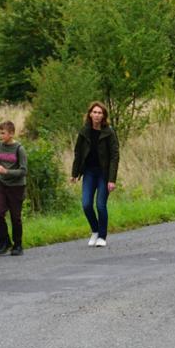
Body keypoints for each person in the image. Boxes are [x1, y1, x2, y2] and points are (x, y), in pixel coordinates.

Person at [71, 101, 120, 248]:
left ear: (103, 116)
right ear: (90, 114)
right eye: (95, 112)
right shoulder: (84, 131)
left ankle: (102, 236)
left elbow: (115, 156)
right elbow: (78, 153)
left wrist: (111, 179)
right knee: (86, 204)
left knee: (100, 205)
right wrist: (74, 173)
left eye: (100, 113)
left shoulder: (109, 132)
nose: (97, 115)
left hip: (104, 174)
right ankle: (95, 230)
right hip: (89, 172)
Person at [0, 120, 28, 256]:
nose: (0, 136)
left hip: (17, 187)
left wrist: (7, 172)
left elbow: (24, 171)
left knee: (15, 217)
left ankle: (18, 245)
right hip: (2, 185)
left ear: (11, 134)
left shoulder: (19, 149)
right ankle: (5, 242)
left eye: (3, 133)